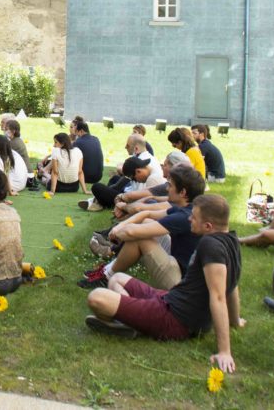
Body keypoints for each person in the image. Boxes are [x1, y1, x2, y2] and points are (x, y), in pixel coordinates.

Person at [85, 194, 244, 375]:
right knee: (117, 278)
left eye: (194, 217)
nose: (189, 219)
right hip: (172, 299)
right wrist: (235, 321)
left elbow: (218, 296)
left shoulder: (210, 245)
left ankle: (131, 322)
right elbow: (233, 285)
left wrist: (224, 351)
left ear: (208, 226)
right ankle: (131, 321)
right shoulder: (231, 241)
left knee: (96, 298)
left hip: (176, 319)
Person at [81, 164, 206, 289]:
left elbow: (131, 232)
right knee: (146, 223)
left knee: (140, 237)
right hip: (182, 264)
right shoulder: (188, 208)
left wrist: (117, 233)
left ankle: (107, 276)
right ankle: (108, 270)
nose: (167, 189)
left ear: (183, 192)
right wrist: (119, 227)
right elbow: (147, 213)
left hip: (183, 283)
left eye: (170, 185)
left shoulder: (184, 216)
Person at [79, 132, 159, 212]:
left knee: (97, 187)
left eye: (128, 146)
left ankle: (99, 202)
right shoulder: (145, 158)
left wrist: (122, 197)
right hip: (131, 192)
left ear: (136, 148)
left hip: (134, 198)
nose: (125, 147)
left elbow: (138, 195)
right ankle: (99, 200)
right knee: (115, 179)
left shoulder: (145, 171)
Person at [71, 119, 104, 186]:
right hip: (98, 177)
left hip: (84, 177)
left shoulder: (78, 142)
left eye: (76, 132)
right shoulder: (96, 139)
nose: (76, 135)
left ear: (81, 131)